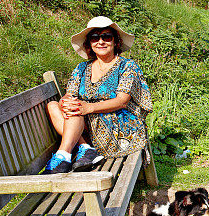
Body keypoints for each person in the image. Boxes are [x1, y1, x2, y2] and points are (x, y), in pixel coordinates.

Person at [43, 16, 152, 174]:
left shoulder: (127, 66)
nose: (101, 41)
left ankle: (65, 155)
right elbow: (70, 95)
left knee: (77, 109)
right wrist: (66, 102)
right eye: (95, 38)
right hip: (85, 122)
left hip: (118, 124)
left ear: (115, 42)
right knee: (54, 105)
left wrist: (89, 107)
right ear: (89, 44)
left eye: (106, 37)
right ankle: (83, 148)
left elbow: (122, 101)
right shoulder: (81, 68)